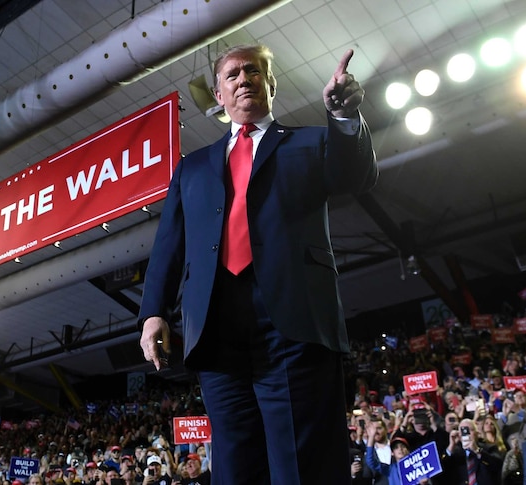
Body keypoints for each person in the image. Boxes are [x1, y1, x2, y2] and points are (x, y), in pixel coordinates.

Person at [138, 43, 377, 484]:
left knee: (301, 463)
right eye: (231, 75)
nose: (243, 79)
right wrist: (154, 311)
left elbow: (355, 177)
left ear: (270, 83)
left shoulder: (311, 141)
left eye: (253, 71)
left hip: (292, 322)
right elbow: (170, 243)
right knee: (234, 464)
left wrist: (343, 118)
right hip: (214, 329)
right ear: (218, 94)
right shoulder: (191, 168)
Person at [442, 418, 503, 485]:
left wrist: (477, 450)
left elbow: (498, 465)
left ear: (477, 433)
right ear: (459, 435)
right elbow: (440, 470)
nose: (466, 434)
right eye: (463, 431)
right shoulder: (455, 453)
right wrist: (451, 446)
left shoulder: (489, 448)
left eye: (469, 430)